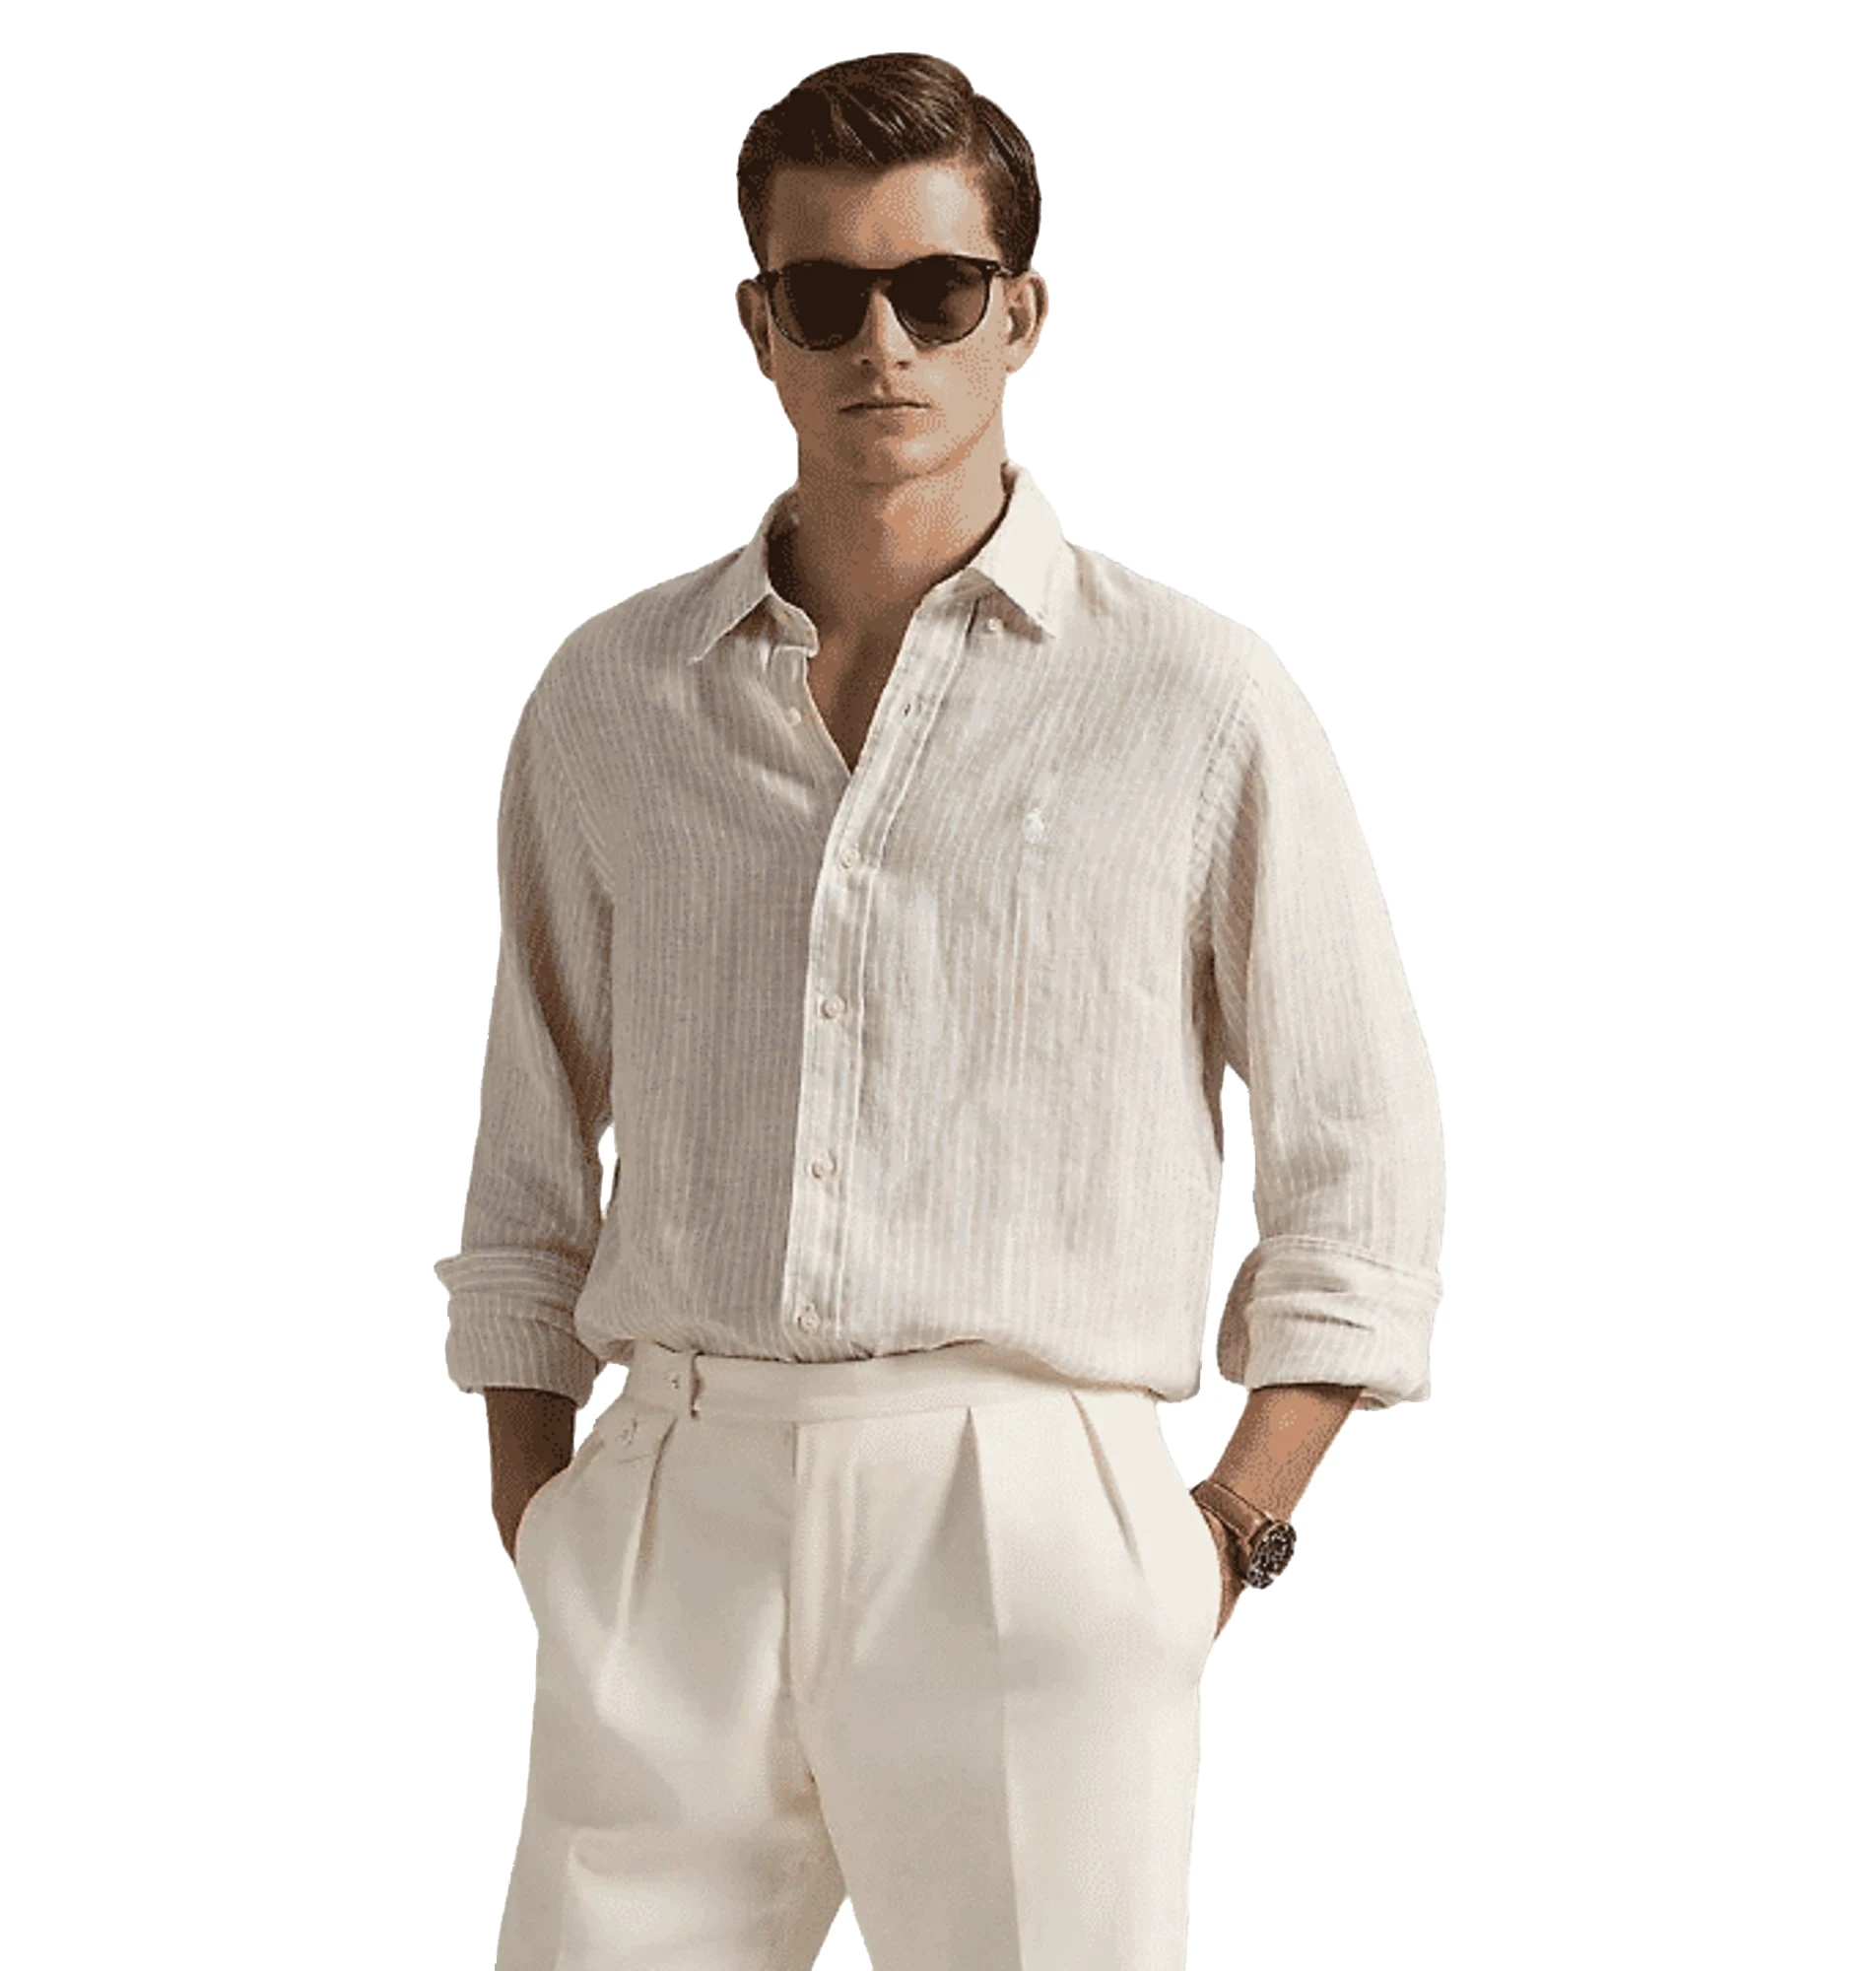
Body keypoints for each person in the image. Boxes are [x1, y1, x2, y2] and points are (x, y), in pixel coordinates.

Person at [433, 49, 1445, 1971]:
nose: (880, 343)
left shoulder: (1193, 697)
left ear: (1019, 315)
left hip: (1029, 1516)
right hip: (671, 1506)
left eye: (936, 289)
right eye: (824, 295)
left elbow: (1362, 1160)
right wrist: (546, 1517)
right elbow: (531, 1139)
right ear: (759, 326)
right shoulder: (614, 697)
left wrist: (1220, 1534)